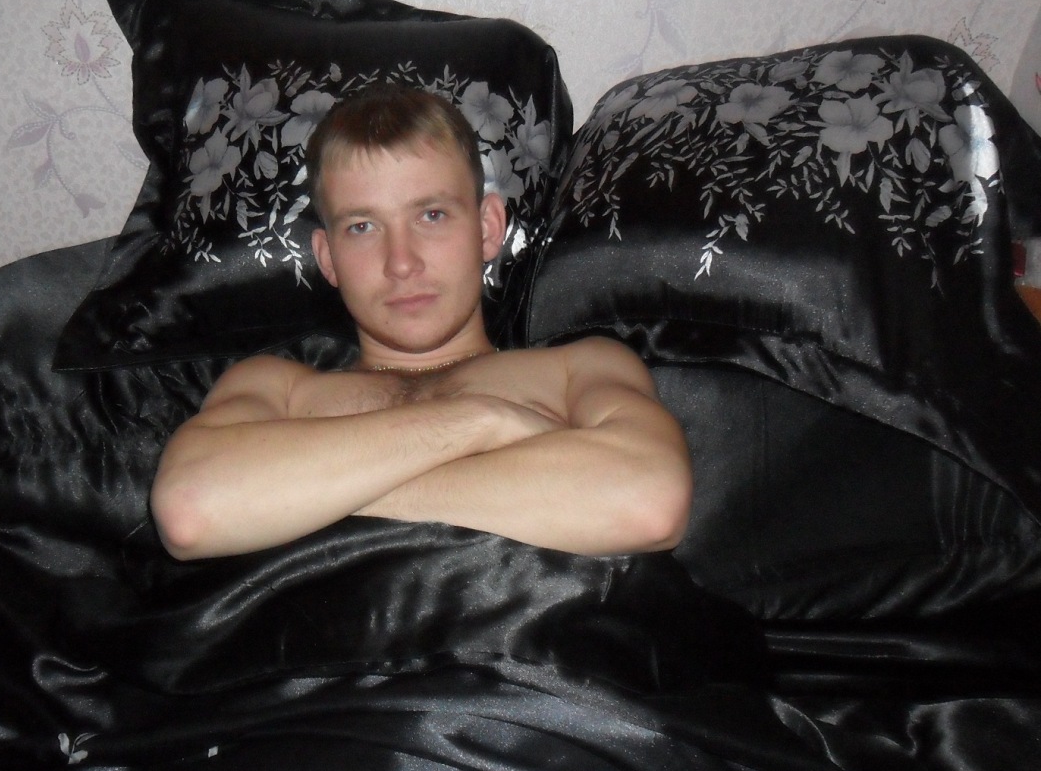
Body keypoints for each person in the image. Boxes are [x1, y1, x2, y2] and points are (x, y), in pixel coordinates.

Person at [150, 84, 691, 559]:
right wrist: (482, 422)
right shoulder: (276, 387)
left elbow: (648, 502)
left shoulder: (580, 367)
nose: (402, 263)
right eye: (362, 227)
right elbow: (191, 510)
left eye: (431, 215)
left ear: (487, 228)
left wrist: (293, 498)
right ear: (328, 257)